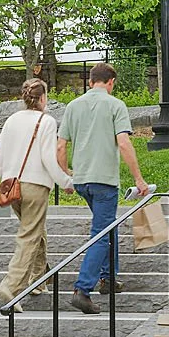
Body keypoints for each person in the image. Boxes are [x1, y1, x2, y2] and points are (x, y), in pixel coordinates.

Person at [58, 61, 150, 314]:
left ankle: (109, 278)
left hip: (82, 180)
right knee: (101, 231)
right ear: (111, 82)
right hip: (104, 181)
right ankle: (82, 289)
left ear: (90, 82)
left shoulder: (73, 107)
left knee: (107, 225)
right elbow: (123, 143)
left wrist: (66, 173)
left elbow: (61, 146)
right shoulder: (115, 105)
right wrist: (139, 179)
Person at [0, 78, 62, 303]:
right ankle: (12, 286)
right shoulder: (46, 121)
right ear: (42, 98)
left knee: (35, 229)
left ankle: (39, 279)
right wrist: (66, 181)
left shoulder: (11, 120)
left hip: (12, 187)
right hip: (36, 186)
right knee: (29, 235)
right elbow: (49, 159)